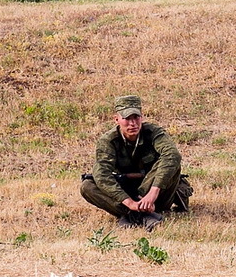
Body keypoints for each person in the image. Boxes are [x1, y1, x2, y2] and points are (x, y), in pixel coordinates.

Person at [81, 95, 191, 231]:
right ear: (116, 120)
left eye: (136, 118)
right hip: (127, 193)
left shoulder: (153, 132)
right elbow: (102, 173)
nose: (132, 123)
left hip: (157, 194)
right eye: (127, 119)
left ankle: (135, 214)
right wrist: (130, 203)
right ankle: (137, 213)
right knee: (88, 186)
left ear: (142, 117)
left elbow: (172, 155)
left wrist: (152, 193)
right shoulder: (108, 141)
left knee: (167, 163)